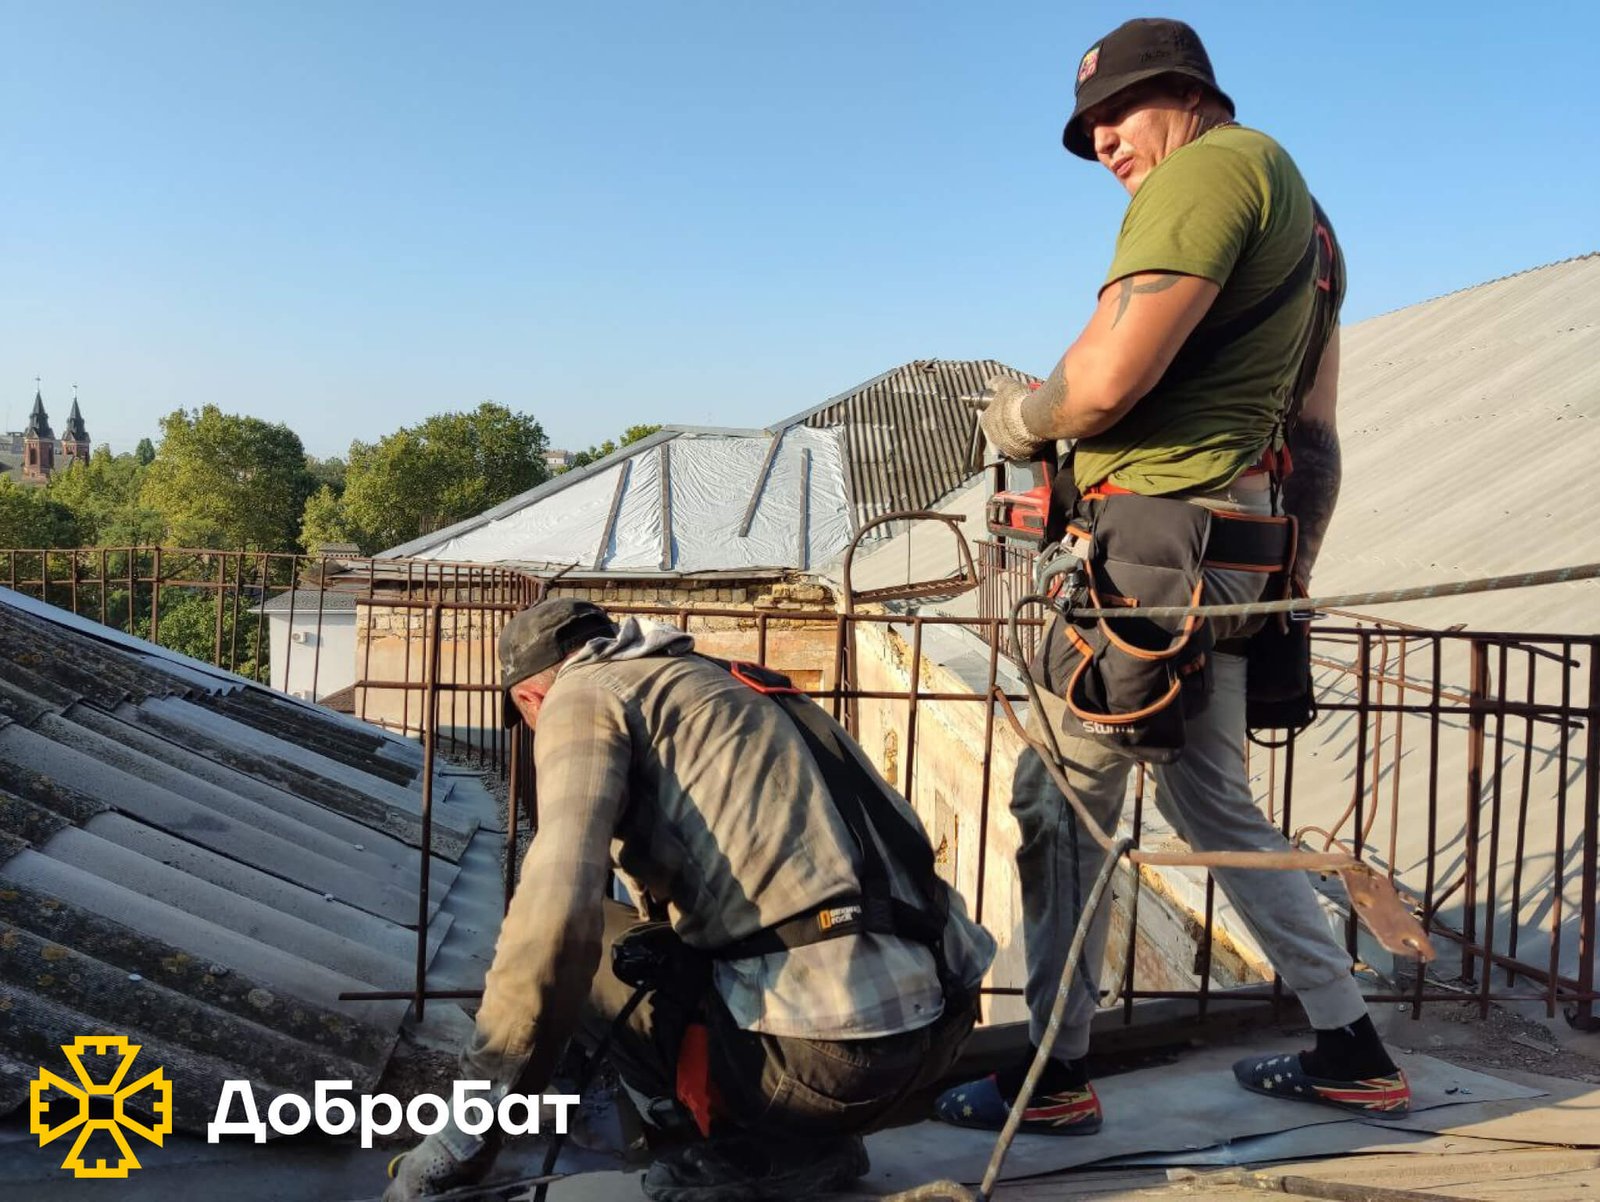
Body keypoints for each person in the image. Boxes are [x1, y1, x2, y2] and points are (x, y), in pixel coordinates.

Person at [935, 17, 1408, 1136]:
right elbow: (1317, 435)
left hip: (1146, 563)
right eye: (1088, 127)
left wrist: (1019, 414)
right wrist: (1284, 584)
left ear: (1189, 96)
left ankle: (1049, 1078)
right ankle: (1351, 1046)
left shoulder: (1210, 170)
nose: (1102, 141)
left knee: (1060, 806)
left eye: (1119, 112)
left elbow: (1100, 383)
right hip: (1238, 556)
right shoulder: (1317, 232)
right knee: (1215, 804)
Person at [385, 598, 995, 1201]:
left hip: (828, 1062)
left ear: (530, 699)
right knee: (662, 947)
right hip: (942, 1026)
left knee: (592, 949)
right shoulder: (720, 680)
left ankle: (741, 1152)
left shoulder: (581, 695)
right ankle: (798, 1146)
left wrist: (463, 1136)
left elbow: (553, 920)